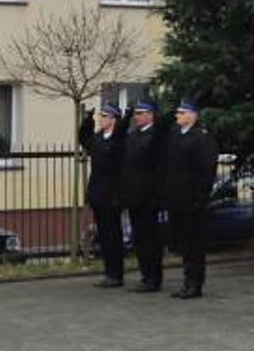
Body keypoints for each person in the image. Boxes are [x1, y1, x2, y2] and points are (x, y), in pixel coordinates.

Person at [163, 101, 218, 299]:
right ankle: (187, 282)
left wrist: (200, 197)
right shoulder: (175, 135)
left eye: (181, 112)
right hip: (177, 199)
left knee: (195, 245)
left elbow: (207, 170)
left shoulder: (201, 137)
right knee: (185, 244)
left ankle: (195, 284)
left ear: (192, 115)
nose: (177, 115)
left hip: (193, 199)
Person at [78, 103, 127, 288]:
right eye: (101, 116)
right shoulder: (98, 138)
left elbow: (121, 135)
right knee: (104, 235)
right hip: (98, 192)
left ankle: (117, 274)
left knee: (114, 235)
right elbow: (84, 138)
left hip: (112, 194)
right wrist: (88, 120)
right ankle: (108, 272)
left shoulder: (118, 139)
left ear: (114, 119)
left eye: (105, 116)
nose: (101, 119)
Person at [121, 101, 167, 293]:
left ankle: (153, 278)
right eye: (136, 113)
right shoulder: (132, 136)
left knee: (151, 239)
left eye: (141, 113)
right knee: (139, 238)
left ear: (151, 115)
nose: (137, 116)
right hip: (134, 195)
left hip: (149, 196)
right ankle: (145, 275)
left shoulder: (156, 136)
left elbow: (159, 166)